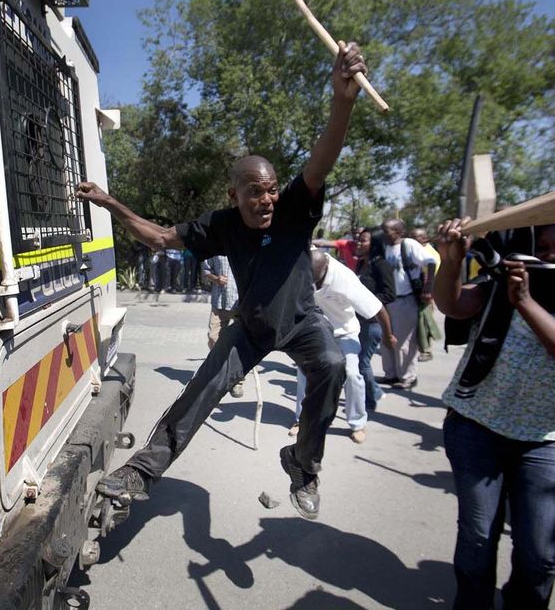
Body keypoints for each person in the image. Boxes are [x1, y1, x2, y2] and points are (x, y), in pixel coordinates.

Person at [77, 42, 369, 520]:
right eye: (256, 192)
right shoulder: (222, 224)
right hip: (250, 328)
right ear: (235, 196)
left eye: (272, 189)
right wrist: (112, 204)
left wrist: (343, 100)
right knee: (200, 393)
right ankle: (140, 473)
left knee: (333, 365)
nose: (268, 199)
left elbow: (322, 160)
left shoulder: (294, 209)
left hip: (301, 321)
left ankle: (303, 465)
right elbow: (160, 238)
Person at [434, 217, 555, 610]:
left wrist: (526, 304)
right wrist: (450, 260)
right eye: (543, 246)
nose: (550, 256)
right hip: (477, 427)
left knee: (540, 555)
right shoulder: (498, 286)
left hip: (549, 439)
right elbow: (452, 304)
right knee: (477, 541)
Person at [292, 249, 396, 443]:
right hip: (315, 332)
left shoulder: (345, 279)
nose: (311, 286)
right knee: (304, 374)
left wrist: (389, 336)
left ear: (325, 270)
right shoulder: (304, 264)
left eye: (315, 282)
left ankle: (358, 423)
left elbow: (378, 308)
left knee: (351, 374)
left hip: (344, 332)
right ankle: (301, 421)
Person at [380, 218, 437, 389]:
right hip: (387, 300)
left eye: (387, 231)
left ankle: (408, 377)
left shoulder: (409, 245)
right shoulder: (385, 247)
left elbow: (430, 262)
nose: (383, 234)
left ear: (398, 232)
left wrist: (428, 288)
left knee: (404, 342)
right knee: (386, 340)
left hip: (404, 299)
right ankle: (390, 374)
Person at [354, 228, 397, 412]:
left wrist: (367, 302)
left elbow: (390, 294)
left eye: (363, 240)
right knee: (359, 361)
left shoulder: (381, 265)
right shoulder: (362, 264)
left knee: (363, 362)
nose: (359, 243)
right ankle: (376, 392)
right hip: (360, 320)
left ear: (374, 244)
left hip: (373, 322)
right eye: (359, 239)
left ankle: (370, 401)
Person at [202, 255, 243, 397]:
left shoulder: (242, 244)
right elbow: (206, 272)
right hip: (219, 301)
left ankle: (237, 380)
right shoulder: (213, 249)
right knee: (213, 338)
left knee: (239, 344)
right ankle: (220, 372)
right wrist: (216, 279)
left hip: (240, 302)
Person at [411, 227, 442, 362]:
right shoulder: (418, 250)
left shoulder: (430, 254)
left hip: (426, 292)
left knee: (424, 320)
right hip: (417, 291)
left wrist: (428, 291)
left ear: (424, 239)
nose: (411, 240)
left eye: (415, 237)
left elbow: (434, 275)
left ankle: (426, 350)